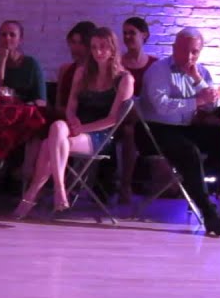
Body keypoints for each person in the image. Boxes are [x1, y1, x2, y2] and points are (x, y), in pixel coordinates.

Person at [14, 27, 134, 217]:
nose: (98, 52)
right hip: (76, 128)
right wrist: (72, 122)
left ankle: (33, 194)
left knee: (48, 144)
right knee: (57, 127)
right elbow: (70, 107)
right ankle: (61, 190)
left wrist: (82, 128)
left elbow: (113, 119)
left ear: (112, 49)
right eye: (94, 48)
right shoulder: (82, 72)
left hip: (102, 134)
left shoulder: (124, 79)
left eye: (103, 47)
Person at [138, 27, 220, 236]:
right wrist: (196, 101)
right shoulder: (159, 70)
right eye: (184, 50)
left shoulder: (202, 71)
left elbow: (213, 106)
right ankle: (209, 214)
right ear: (174, 48)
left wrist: (198, 81)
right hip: (157, 129)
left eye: (195, 52)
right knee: (189, 153)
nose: (189, 56)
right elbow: (161, 106)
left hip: (187, 127)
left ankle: (197, 183)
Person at [118, 17, 157, 201]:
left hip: (147, 119)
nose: (127, 36)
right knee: (128, 129)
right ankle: (124, 185)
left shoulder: (155, 65)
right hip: (119, 117)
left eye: (131, 32)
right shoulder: (117, 64)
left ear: (144, 35)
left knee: (132, 129)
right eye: (125, 33)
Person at [0, 20, 46, 105]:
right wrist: (2, 59)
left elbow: (41, 100)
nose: (7, 38)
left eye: (12, 35)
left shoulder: (31, 64)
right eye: (3, 35)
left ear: (20, 40)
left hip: (23, 111)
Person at [53, 21, 96, 118]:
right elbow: (58, 106)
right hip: (63, 120)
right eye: (73, 42)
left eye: (81, 43)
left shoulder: (97, 72)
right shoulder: (65, 69)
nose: (75, 48)